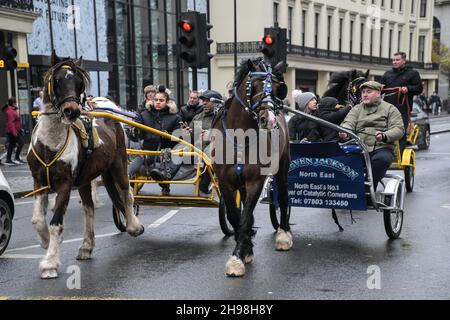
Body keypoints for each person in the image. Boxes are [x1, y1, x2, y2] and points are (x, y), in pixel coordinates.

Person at [339, 81, 404, 190]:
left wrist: (384, 135)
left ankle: (367, 189)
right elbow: (348, 123)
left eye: (369, 92)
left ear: (378, 93)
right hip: (359, 147)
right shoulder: (356, 109)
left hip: (381, 147)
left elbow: (399, 129)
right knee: (339, 159)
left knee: (383, 159)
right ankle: (344, 190)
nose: (364, 94)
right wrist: (345, 131)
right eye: (363, 92)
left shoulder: (390, 109)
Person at [128, 86, 182, 195]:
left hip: (165, 153)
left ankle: (165, 185)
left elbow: (179, 138)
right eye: (156, 100)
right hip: (147, 152)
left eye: (161, 100)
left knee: (172, 160)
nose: (158, 102)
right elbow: (134, 135)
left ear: (167, 102)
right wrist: (134, 132)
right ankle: (126, 190)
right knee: (128, 171)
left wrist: (168, 135)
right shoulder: (143, 115)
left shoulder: (175, 117)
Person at [381, 52, 423, 152]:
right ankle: (386, 151)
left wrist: (408, 89)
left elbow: (419, 88)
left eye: (397, 60)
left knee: (400, 131)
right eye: (393, 60)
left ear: (404, 61)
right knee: (385, 128)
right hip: (387, 107)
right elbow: (380, 87)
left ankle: (398, 153)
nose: (395, 62)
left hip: (403, 107)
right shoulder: (387, 74)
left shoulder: (412, 73)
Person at [189, 90, 223, 196]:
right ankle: (165, 177)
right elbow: (192, 133)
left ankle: (203, 186)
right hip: (198, 146)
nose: (204, 103)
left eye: (207, 101)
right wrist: (188, 132)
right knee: (179, 149)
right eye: (203, 100)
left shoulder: (223, 117)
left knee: (211, 152)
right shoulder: (198, 117)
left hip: (217, 148)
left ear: (216, 103)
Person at [2, 97, 25, 165]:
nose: (16, 104)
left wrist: (20, 129)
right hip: (12, 131)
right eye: (15, 102)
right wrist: (14, 132)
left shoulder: (12, 110)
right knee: (21, 143)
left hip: (14, 131)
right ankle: (16, 158)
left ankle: (9, 159)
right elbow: (10, 123)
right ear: (13, 103)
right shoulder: (10, 111)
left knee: (11, 145)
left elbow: (15, 122)